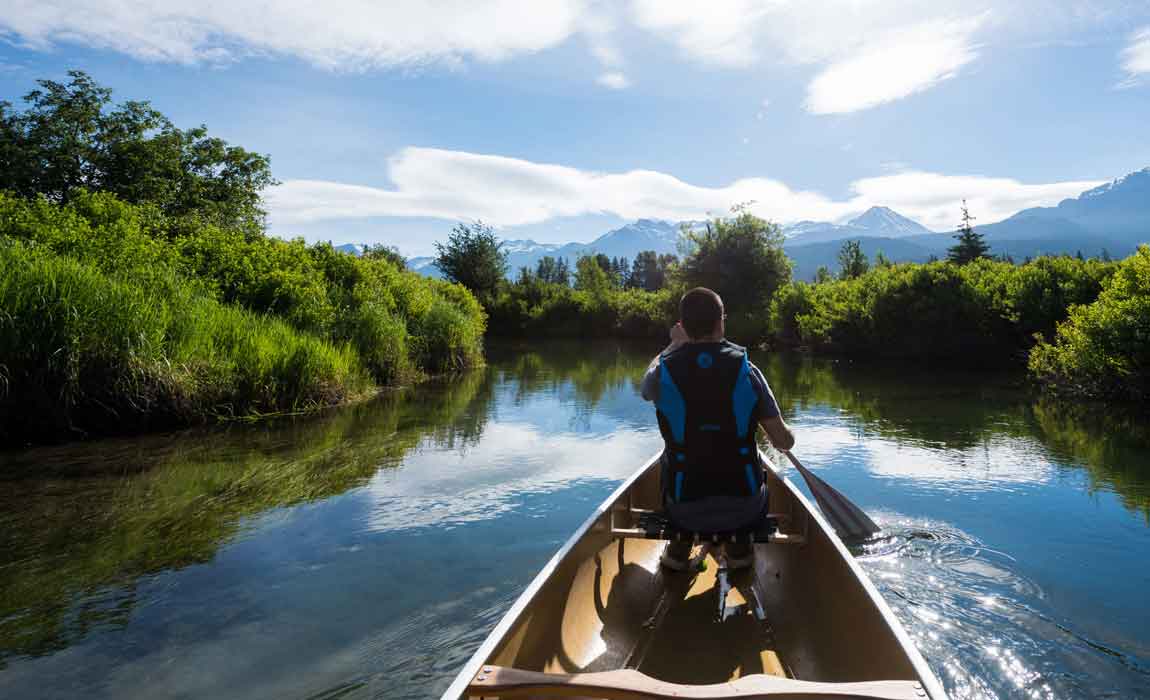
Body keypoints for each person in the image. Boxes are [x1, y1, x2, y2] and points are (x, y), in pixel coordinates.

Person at [639, 287, 795, 571]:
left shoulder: (663, 372)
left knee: (668, 459)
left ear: (683, 327)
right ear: (721, 322)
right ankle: (739, 550)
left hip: (683, 509)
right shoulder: (748, 371)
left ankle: (678, 548)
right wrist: (787, 435)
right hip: (744, 510)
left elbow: (645, 388)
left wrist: (673, 346)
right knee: (756, 463)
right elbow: (784, 442)